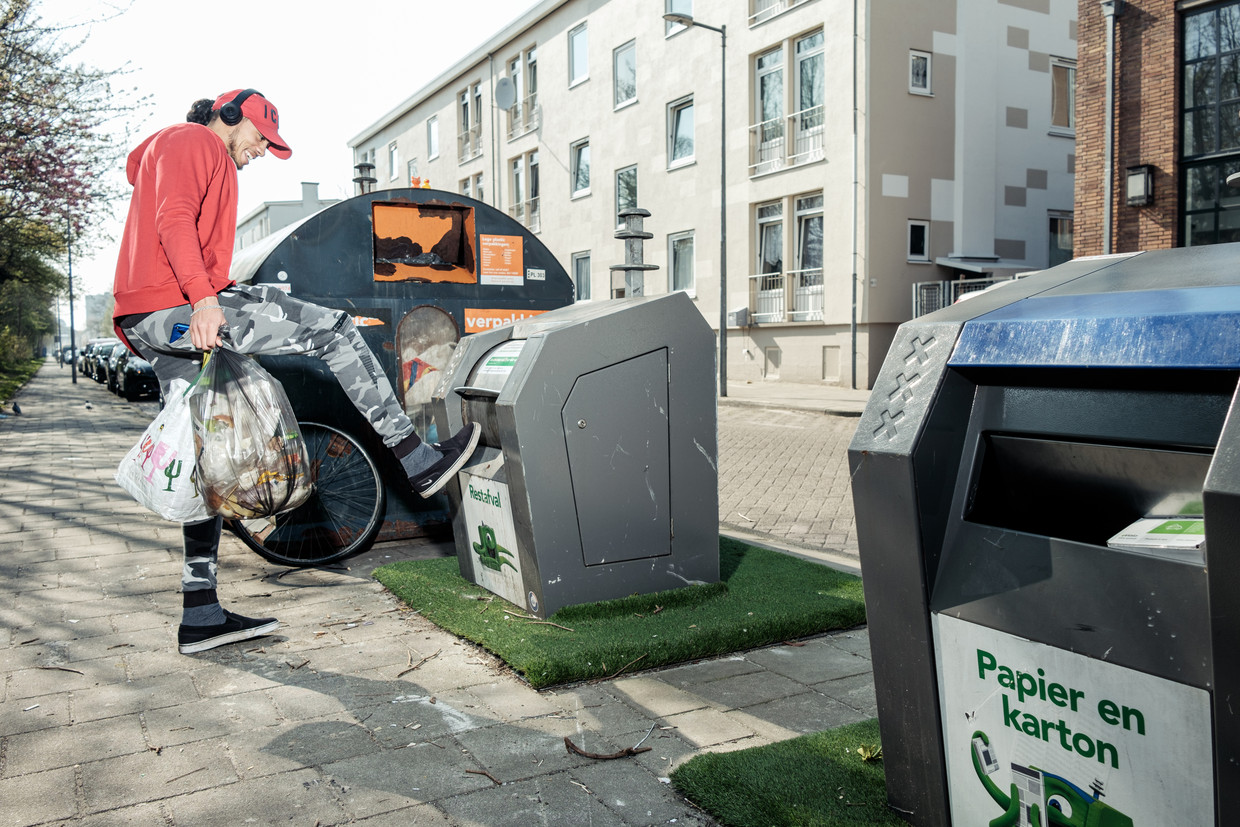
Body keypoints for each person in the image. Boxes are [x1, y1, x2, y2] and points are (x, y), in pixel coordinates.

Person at [112, 89, 480, 655]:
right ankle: (417, 458)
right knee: (335, 331)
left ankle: (201, 612)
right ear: (229, 117)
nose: (261, 151)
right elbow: (175, 220)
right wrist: (206, 301)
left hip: (150, 319)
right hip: (177, 309)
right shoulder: (193, 142)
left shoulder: (171, 155)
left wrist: (219, 293)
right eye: (260, 138)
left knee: (210, 459)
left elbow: (176, 234)